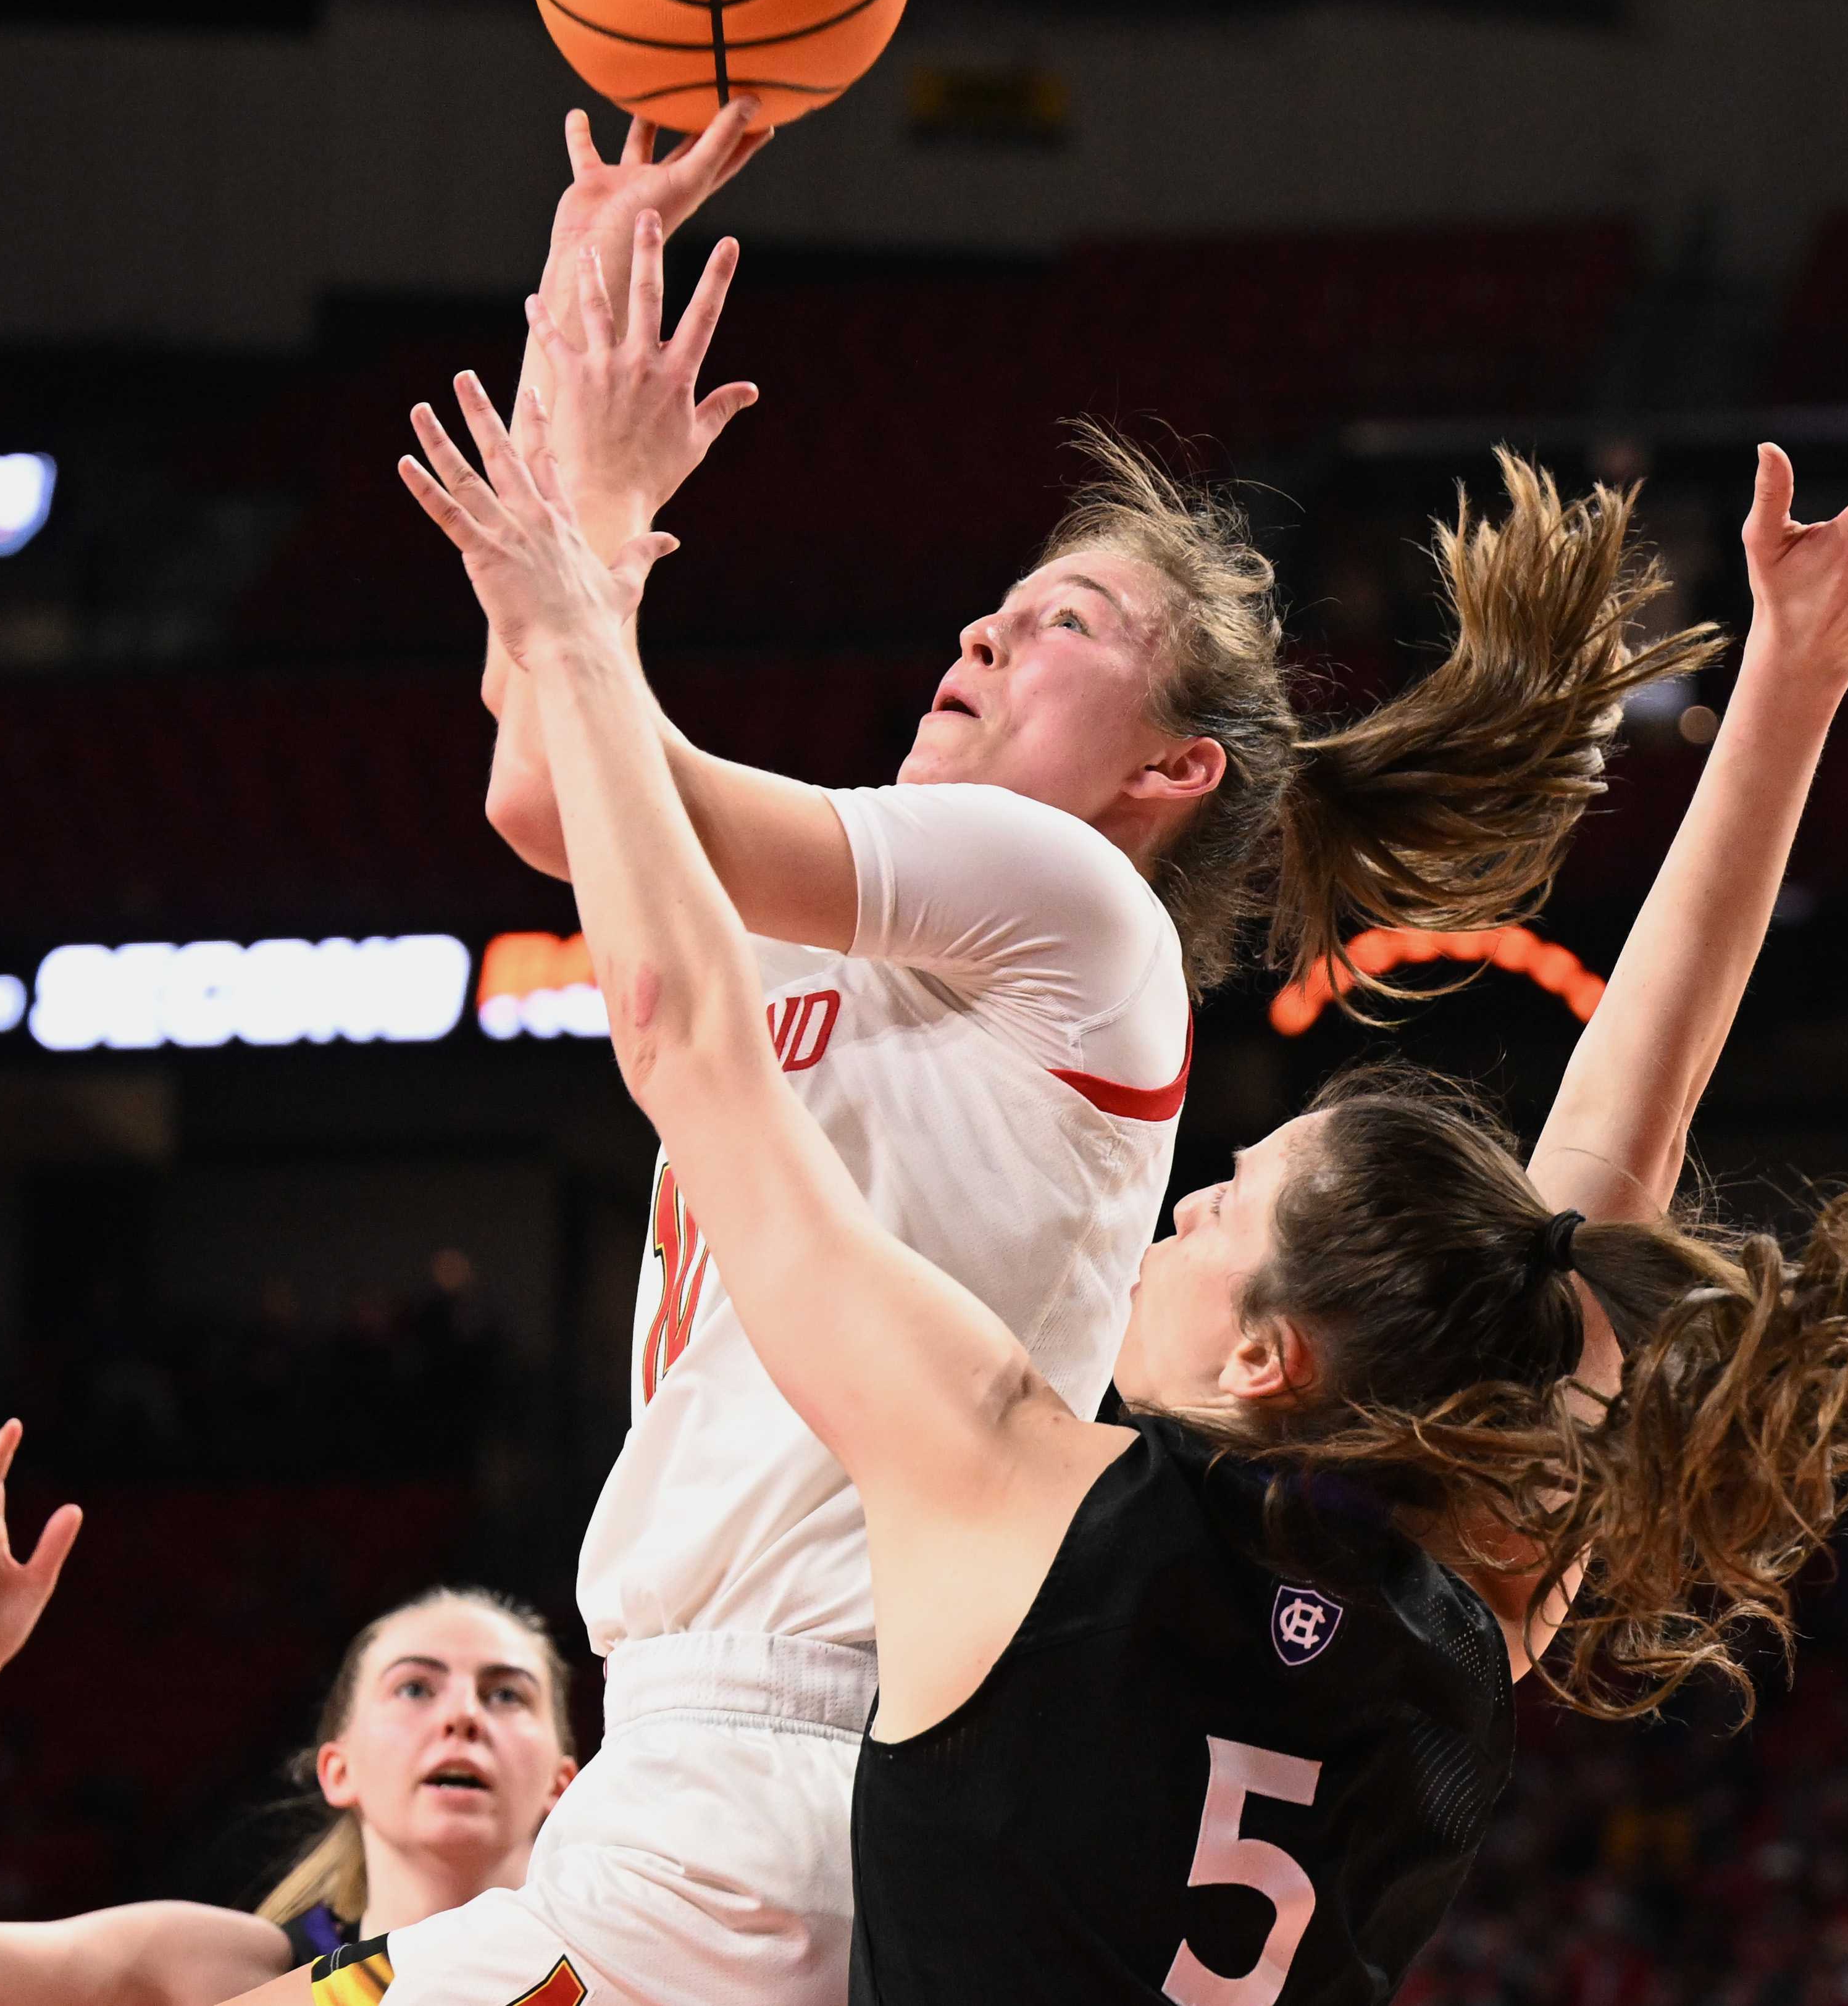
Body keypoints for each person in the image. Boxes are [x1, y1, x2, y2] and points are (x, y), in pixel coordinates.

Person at [328, 107, 1722, 2006]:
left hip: (794, 1748)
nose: (985, 623)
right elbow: (545, 789)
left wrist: (595, 490)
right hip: (709, 1757)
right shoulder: (875, 905)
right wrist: (583, 378)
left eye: (1064, 622)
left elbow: (594, 777)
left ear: (1168, 773)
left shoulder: (1073, 906)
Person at [399, 385, 1848, 2002]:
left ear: (1269, 1355)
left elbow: (681, 1031)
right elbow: (1616, 1152)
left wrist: (578, 573)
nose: (1175, 1205)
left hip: (739, 1852)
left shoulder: (1060, 1503)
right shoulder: (1421, 1614)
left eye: (1219, 1206)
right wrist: (1796, 681)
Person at [0, 1416, 575, 2006]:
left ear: (563, 1782)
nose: (463, 1714)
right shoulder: (222, 1968)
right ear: (338, 1767)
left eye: (507, 1693)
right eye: (414, 1686)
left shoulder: (634, 1963)